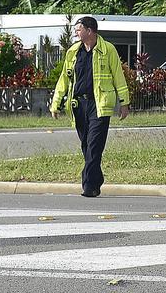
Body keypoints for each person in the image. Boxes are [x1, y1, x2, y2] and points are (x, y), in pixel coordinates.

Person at [50, 16, 130, 197]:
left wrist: (124, 102)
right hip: (79, 105)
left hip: (99, 104)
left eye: (78, 29)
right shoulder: (73, 51)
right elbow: (64, 78)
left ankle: (89, 186)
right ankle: (97, 179)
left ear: (90, 30)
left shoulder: (107, 49)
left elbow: (118, 76)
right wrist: (56, 103)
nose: (76, 32)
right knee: (86, 145)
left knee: (94, 145)